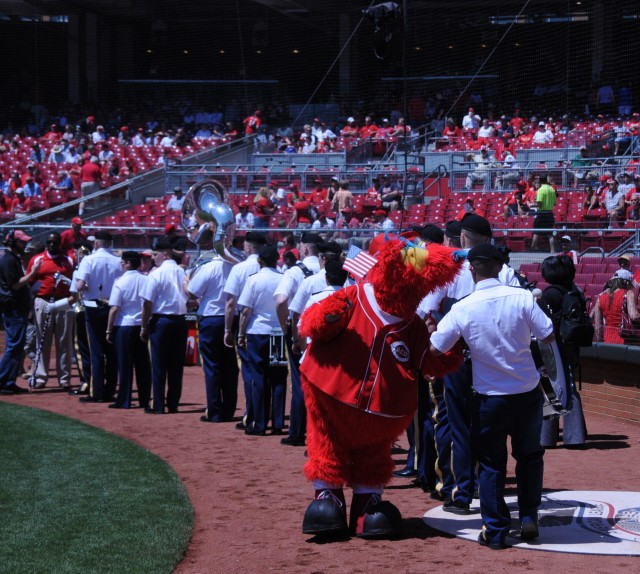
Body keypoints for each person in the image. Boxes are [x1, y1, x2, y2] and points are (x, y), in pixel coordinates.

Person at [429, 242, 554, 549]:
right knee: (529, 457)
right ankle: (527, 517)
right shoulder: (522, 297)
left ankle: (495, 530)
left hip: (489, 397)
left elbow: (436, 346)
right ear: (500, 268)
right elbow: (548, 334)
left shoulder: (463, 307)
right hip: (526, 392)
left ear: (472, 270)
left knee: (490, 463)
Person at [274, 232, 322, 446]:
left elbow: (281, 300)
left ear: (303, 248)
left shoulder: (295, 271)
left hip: (302, 331)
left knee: (299, 380)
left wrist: (286, 327)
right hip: (326, 330)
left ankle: (297, 431)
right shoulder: (326, 269)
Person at [237, 244, 288, 436]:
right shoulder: (283, 278)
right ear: (277, 260)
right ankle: (277, 422)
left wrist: (241, 333)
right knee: (278, 377)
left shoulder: (254, 280)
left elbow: (246, 310)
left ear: (260, 261)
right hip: (277, 331)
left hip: (257, 331)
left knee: (259, 377)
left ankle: (259, 423)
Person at [539, 256, 588, 448]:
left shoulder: (550, 293)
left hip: (553, 345)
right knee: (569, 388)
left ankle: (547, 437)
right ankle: (574, 435)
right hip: (570, 346)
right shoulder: (574, 290)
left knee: (550, 387)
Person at [186, 246, 239, 423]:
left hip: (211, 317)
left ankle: (215, 411)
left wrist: (186, 282)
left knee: (212, 366)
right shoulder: (236, 266)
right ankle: (229, 409)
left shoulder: (209, 267)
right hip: (232, 318)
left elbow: (193, 291)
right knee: (230, 367)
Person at [223, 231, 268, 431]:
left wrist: (227, 329)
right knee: (270, 372)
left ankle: (252, 413)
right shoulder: (276, 267)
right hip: (272, 324)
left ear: (248, 247)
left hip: (248, 323)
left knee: (250, 371)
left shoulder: (239, 269)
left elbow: (231, 303)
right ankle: (268, 413)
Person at [140, 237, 189, 414]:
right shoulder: (182, 272)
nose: (153, 257)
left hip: (161, 321)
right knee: (176, 366)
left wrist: (144, 326)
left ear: (165, 254)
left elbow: (147, 303)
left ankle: (158, 404)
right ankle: (173, 403)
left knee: (159, 364)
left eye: (155, 254)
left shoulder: (156, 273)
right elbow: (190, 297)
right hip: (180, 320)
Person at [76, 230, 123, 403]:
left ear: (96, 244)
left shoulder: (88, 260)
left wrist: (85, 287)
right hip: (112, 305)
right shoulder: (118, 261)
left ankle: (96, 391)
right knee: (111, 349)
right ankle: (110, 389)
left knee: (96, 349)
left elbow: (80, 285)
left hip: (93, 306)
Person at [26, 232, 76, 389]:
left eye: (55, 242)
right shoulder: (37, 259)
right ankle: (40, 377)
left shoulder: (68, 260)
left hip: (63, 301)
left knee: (64, 341)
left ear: (60, 243)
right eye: (49, 242)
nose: (52, 245)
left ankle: (64, 379)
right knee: (43, 340)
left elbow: (75, 282)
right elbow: (29, 282)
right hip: (43, 300)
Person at [105, 251, 151, 409]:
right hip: (141, 324)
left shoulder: (120, 281)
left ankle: (124, 399)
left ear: (128, 263)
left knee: (125, 365)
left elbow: (114, 308)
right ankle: (145, 399)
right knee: (143, 365)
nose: (121, 265)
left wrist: (109, 330)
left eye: (123, 262)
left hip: (125, 326)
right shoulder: (146, 279)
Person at [0, 230, 41, 395]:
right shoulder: (8, 260)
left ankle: (9, 382)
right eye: (21, 242)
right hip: (13, 308)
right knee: (14, 346)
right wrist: (33, 273)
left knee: (16, 347)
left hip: (17, 308)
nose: (25, 245)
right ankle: (3, 380)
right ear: (13, 242)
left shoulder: (12, 259)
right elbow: (15, 285)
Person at [593, 269, 638, 345]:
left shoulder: (600, 297)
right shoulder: (628, 294)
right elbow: (634, 316)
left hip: (606, 342)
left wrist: (600, 344)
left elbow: (597, 328)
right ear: (626, 282)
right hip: (623, 342)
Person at [530, 174, 557, 252]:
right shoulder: (552, 189)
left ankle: (532, 248)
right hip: (550, 213)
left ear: (540, 181)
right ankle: (553, 250)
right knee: (549, 233)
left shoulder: (541, 190)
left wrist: (532, 204)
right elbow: (555, 203)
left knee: (536, 232)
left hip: (542, 213)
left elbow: (539, 204)